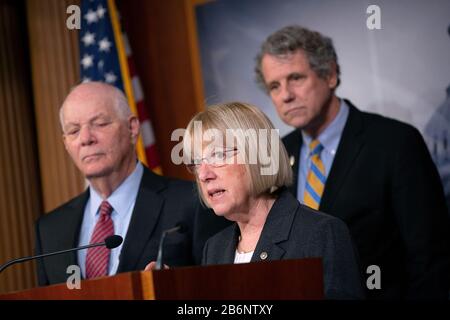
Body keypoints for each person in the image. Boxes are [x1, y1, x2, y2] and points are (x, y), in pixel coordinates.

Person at [254, 25, 450, 299]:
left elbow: (429, 257)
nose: (285, 95)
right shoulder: (275, 154)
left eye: (295, 78)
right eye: (274, 86)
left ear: (330, 74)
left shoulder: (395, 142)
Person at [147, 101, 365, 299]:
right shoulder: (214, 248)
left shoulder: (321, 234)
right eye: (197, 163)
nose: (204, 174)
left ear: (259, 155)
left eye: (218, 156)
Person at [35, 82, 230, 285]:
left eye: (100, 124)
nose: (85, 138)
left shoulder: (193, 202)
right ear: (66, 144)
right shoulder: (50, 230)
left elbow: (222, 290)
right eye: (74, 131)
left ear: (132, 128)